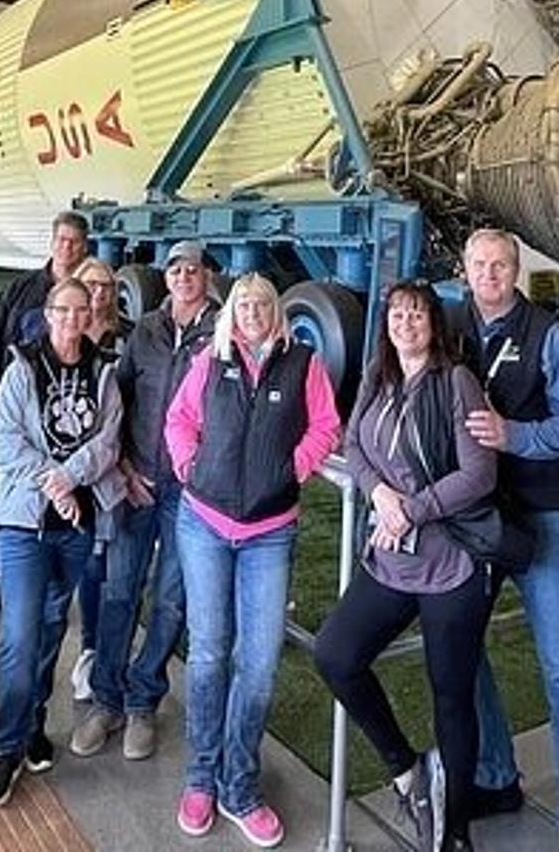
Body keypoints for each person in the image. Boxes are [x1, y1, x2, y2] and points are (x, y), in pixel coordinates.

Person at [315, 281, 498, 852]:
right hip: (391, 560)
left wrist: (412, 510)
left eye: (416, 314)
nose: (405, 323)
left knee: (451, 696)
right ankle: (407, 771)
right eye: (396, 313)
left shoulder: (456, 382)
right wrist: (381, 497)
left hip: (450, 565)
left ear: (433, 325)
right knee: (336, 655)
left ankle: (457, 829)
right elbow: (356, 444)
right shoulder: (377, 376)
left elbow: (480, 474)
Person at [164, 272, 341, 849]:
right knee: (210, 653)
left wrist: (291, 470)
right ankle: (200, 778)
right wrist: (190, 466)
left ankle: (240, 784)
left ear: (277, 311)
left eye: (262, 304)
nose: (252, 312)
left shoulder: (302, 363)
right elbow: (179, 419)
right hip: (205, 524)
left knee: (259, 664)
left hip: (269, 531)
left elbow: (325, 426)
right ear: (231, 311)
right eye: (243, 304)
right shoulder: (210, 359)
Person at [457, 229, 559, 852]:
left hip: (542, 518)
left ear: (516, 270)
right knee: (461, 658)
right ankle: (496, 775)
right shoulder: (448, 326)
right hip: (474, 520)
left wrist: (512, 436)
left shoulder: (547, 333)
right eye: (480, 265)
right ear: (465, 271)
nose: (490, 274)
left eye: (501, 265)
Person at [0, 278, 125, 808]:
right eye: (63, 309)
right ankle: (5, 747)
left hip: (77, 526)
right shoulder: (22, 370)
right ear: (48, 313)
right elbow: (10, 444)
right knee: (19, 631)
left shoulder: (103, 371)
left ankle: (34, 723)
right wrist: (52, 481)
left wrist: (70, 478)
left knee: (49, 628)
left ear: (89, 315)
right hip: (25, 526)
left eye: (81, 310)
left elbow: (109, 439)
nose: (72, 319)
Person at [74, 244, 215, 763]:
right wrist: (126, 467)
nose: (182, 277)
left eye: (192, 270)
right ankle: (106, 699)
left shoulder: (219, 334)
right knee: (118, 591)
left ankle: (142, 701)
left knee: (172, 598)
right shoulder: (146, 332)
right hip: (136, 482)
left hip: (188, 490)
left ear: (205, 277)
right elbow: (120, 402)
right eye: (175, 269)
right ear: (167, 277)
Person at [0, 211, 93, 621]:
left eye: (75, 242)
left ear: (84, 246)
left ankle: (52, 588)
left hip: (71, 425)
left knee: (68, 502)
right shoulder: (19, 292)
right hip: (22, 420)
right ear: (52, 242)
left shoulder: (90, 293)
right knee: (13, 497)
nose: (67, 247)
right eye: (62, 240)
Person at [67, 255, 132, 702]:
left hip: (114, 471)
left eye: (107, 285)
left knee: (114, 569)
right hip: (72, 476)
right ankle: (90, 647)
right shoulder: (62, 340)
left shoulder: (130, 336)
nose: (100, 293)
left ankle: (111, 656)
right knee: (88, 566)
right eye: (91, 285)